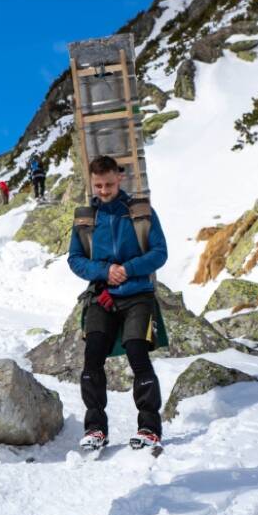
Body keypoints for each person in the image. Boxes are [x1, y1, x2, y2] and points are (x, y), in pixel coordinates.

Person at [67, 155, 168, 455]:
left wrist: (129, 268)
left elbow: (160, 252)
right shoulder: (85, 218)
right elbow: (75, 259)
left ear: (120, 178)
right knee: (92, 356)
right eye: (98, 185)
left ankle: (149, 427)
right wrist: (103, 272)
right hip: (103, 295)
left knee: (137, 351)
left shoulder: (140, 212)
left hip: (138, 293)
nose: (104, 190)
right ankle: (95, 429)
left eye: (109, 184)